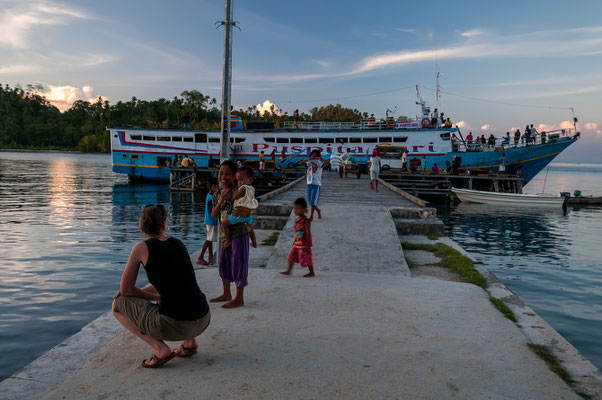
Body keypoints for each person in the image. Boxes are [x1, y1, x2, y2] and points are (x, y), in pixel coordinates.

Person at [112, 205, 210, 368]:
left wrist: (154, 297)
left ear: (142, 225)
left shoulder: (141, 248)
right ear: (165, 223)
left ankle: (160, 349)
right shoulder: (178, 243)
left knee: (118, 304)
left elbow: (126, 291)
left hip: (177, 325)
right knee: (176, 290)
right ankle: (189, 343)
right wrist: (149, 295)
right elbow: (173, 282)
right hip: (204, 318)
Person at [210, 161, 252, 309]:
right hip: (224, 236)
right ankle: (226, 293)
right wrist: (221, 200)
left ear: (234, 176)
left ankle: (239, 298)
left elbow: (248, 208)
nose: (223, 176)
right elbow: (213, 214)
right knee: (225, 265)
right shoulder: (217, 194)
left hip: (238, 234)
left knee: (239, 265)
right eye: (221, 173)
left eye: (227, 173)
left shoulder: (238, 191)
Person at [221, 166, 258, 249]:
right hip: (248, 216)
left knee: (224, 224)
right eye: (238, 181)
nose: (239, 183)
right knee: (250, 228)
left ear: (250, 179)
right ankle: (255, 243)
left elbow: (235, 197)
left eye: (241, 180)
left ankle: (228, 240)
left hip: (239, 215)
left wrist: (235, 193)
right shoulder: (252, 189)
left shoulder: (243, 188)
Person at [280, 198, 314, 277]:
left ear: (304, 209)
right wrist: (294, 241)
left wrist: (308, 243)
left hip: (304, 244)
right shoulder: (297, 219)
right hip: (297, 242)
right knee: (291, 257)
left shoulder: (305, 221)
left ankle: (311, 272)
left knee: (307, 258)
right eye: (294, 208)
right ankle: (289, 271)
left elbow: (308, 232)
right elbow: (297, 232)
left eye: (298, 209)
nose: (295, 210)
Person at [298, 150, 330, 221]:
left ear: (318, 156)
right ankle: (318, 211)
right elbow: (300, 164)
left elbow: (327, 163)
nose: (313, 157)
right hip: (309, 183)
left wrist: (320, 158)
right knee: (310, 202)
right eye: (312, 155)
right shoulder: (308, 162)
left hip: (316, 183)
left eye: (315, 155)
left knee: (313, 201)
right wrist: (307, 159)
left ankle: (311, 216)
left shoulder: (319, 162)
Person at [197, 178, 219, 266]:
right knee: (209, 240)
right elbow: (211, 211)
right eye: (217, 186)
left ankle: (210, 256)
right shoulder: (211, 197)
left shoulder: (210, 195)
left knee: (210, 239)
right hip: (211, 221)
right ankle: (200, 257)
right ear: (213, 186)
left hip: (209, 221)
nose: (218, 187)